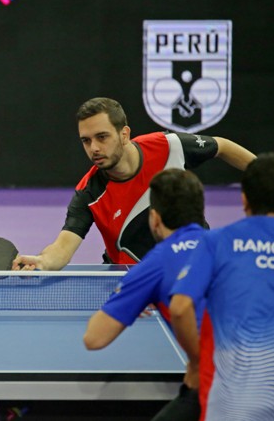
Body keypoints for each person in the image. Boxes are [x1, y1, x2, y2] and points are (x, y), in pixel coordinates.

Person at [13, 97, 255, 270]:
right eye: (86, 141)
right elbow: (63, 247)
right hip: (132, 280)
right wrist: (43, 261)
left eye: (102, 137)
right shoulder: (89, 193)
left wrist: (266, 176)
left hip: (190, 267)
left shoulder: (168, 147)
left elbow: (221, 146)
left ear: (124, 134)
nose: (94, 148)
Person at [83, 168, 208, 420]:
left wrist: (135, 297)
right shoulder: (229, 244)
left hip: (219, 385)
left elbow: (94, 338)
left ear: (154, 218)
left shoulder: (155, 264)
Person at [170, 152, 274, 420]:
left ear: (244, 199)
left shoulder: (216, 242)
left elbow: (179, 308)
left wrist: (196, 361)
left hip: (234, 405)